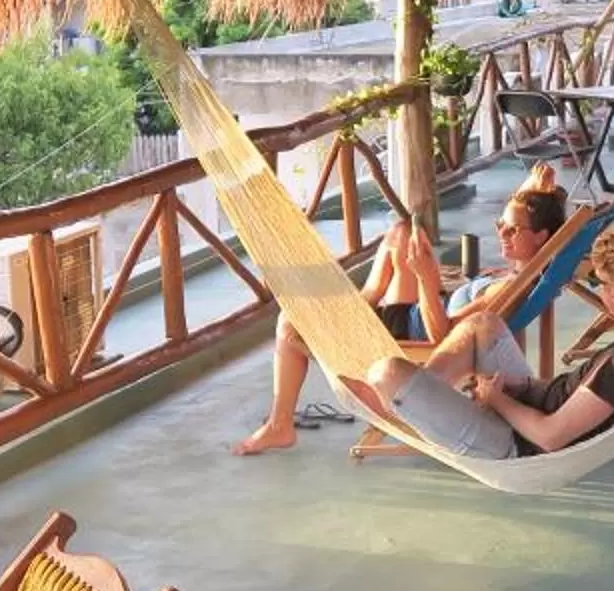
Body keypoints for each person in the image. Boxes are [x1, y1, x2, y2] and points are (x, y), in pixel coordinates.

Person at [233, 167, 569, 455]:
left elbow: (444, 337)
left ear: (541, 237)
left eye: (512, 230)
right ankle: (359, 303)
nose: (502, 234)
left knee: (290, 322)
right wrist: (530, 190)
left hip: (415, 329)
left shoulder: (507, 288)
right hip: (419, 310)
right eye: (499, 224)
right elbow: (537, 222)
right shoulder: (531, 266)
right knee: (401, 233)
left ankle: (280, 425)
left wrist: (427, 277)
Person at [349, 223, 614, 461]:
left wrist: (497, 400)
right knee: (483, 324)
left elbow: (550, 438)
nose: (601, 291)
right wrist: (521, 390)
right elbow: (583, 399)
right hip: (533, 402)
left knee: (386, 372)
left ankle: (402, 400)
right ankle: (416, 396)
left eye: (601, 285)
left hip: (515, 441)